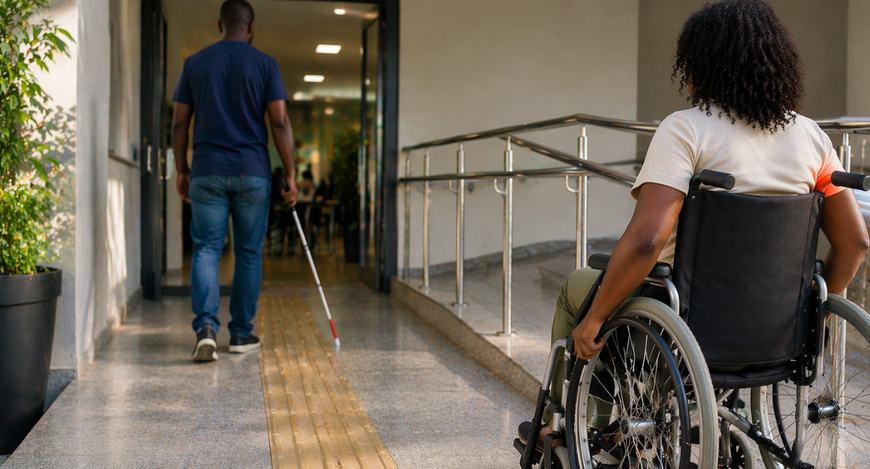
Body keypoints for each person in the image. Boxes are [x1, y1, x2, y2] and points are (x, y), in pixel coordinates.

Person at [520, 0, 870, 448]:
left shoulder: (686, 130)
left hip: (682, 316)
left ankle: (578, 427)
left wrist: (594, 319)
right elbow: (855, 242)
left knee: (578, 288)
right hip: (779, 331)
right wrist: (814, 315)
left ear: (700, 65)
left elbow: (647, 241)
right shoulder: (811, 138)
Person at [171, 0, 299, 362]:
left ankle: (206, 330)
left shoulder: (195, 63)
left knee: (207, 249)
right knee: (247, 253)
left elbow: (180, 123)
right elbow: (280, 122)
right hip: (252, 173)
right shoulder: (265, 64)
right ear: (251, 27)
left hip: (207, 170)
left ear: (220, 24)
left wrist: (182, 169)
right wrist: (289, 173)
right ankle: (241, 333)